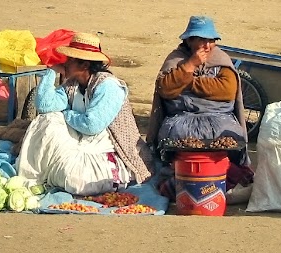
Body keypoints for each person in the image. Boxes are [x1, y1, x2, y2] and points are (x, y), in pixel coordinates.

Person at [16, 33, 154, 196]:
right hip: (82, 146)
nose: (65, 63)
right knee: (48, 119)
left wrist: (66, 114)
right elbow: (45, 105)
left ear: (84, 64)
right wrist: (51, 71)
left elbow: (92, 125)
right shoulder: (73, 85)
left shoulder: (108, 86)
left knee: (72, 179)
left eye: (70, 60)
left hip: (110, 152)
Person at [146, 16, 253, 191]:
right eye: (201, 40)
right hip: (182, 119)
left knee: (232, 136)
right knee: (177, 136)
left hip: (220, 118)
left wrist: (187, 82)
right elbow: (166, 89)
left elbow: (227, 90)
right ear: (189, 41)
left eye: (211, 40)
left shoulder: (220, 58)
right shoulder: (176, 60)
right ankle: (179, 178)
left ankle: (227, 177)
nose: (207, 46)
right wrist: (190, 65)